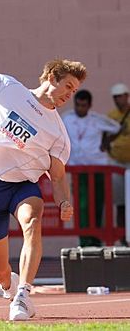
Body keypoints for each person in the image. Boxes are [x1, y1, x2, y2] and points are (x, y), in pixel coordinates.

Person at [0, 43, 87, 321]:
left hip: (23, 187)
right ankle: (9, 285)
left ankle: (23, 295)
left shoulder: (58, 134)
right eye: (67, 86)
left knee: (33, 223)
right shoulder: (8, 88)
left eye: (74, 91)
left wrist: (63, 200)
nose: (69, 95)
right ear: (51, 77)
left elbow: (57, 175)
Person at [62, 89, 120, 247]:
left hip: (98, 168)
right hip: (78, 169)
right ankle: (84, 241)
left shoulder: (97, 119)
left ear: (90, 105)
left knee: (98, 204)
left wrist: (105, 142)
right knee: (82, 206)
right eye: (78, 105)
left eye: (84, 106)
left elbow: (117, 128)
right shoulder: (67, 118)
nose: (81, 109)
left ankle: (96, 240)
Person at [106, 83, 130, 243]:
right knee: (121, 203)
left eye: (120, 96)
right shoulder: (111, 116)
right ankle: (123, 239)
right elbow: (105, 140)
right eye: (115, 97)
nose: (118, 100)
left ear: (127, 96)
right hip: (117, 163)